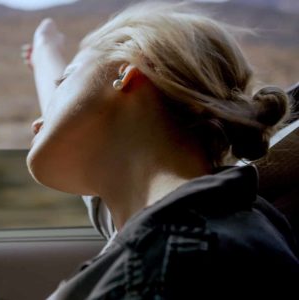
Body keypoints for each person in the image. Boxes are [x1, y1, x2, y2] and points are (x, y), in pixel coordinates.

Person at [22, 2, 299, 299]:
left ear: (127, 73)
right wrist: (44, 52)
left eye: (65, 79)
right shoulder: (193, 218)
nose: (37, 123)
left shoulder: (169, 264)